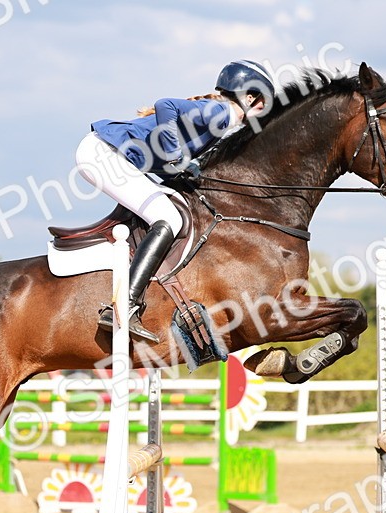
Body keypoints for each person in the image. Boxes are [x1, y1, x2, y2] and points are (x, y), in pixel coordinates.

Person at [76, 60, 275, 342]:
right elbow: (165, 105)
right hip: (102, 154)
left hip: (108, 153)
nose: (262, 116)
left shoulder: (220, 121)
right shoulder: (220, 112)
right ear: (250, 96)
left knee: (171, 207)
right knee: (169, 217)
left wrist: (186, 165)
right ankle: (124, 305)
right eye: (262, 106)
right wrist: (173, 156)